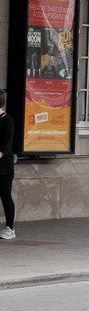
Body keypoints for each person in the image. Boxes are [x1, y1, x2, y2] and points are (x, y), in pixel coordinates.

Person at [0, 91, 15, 240]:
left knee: (5, 196)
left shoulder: (7, 120)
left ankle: (10, 228)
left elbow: (6, 146)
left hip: (4, 167)